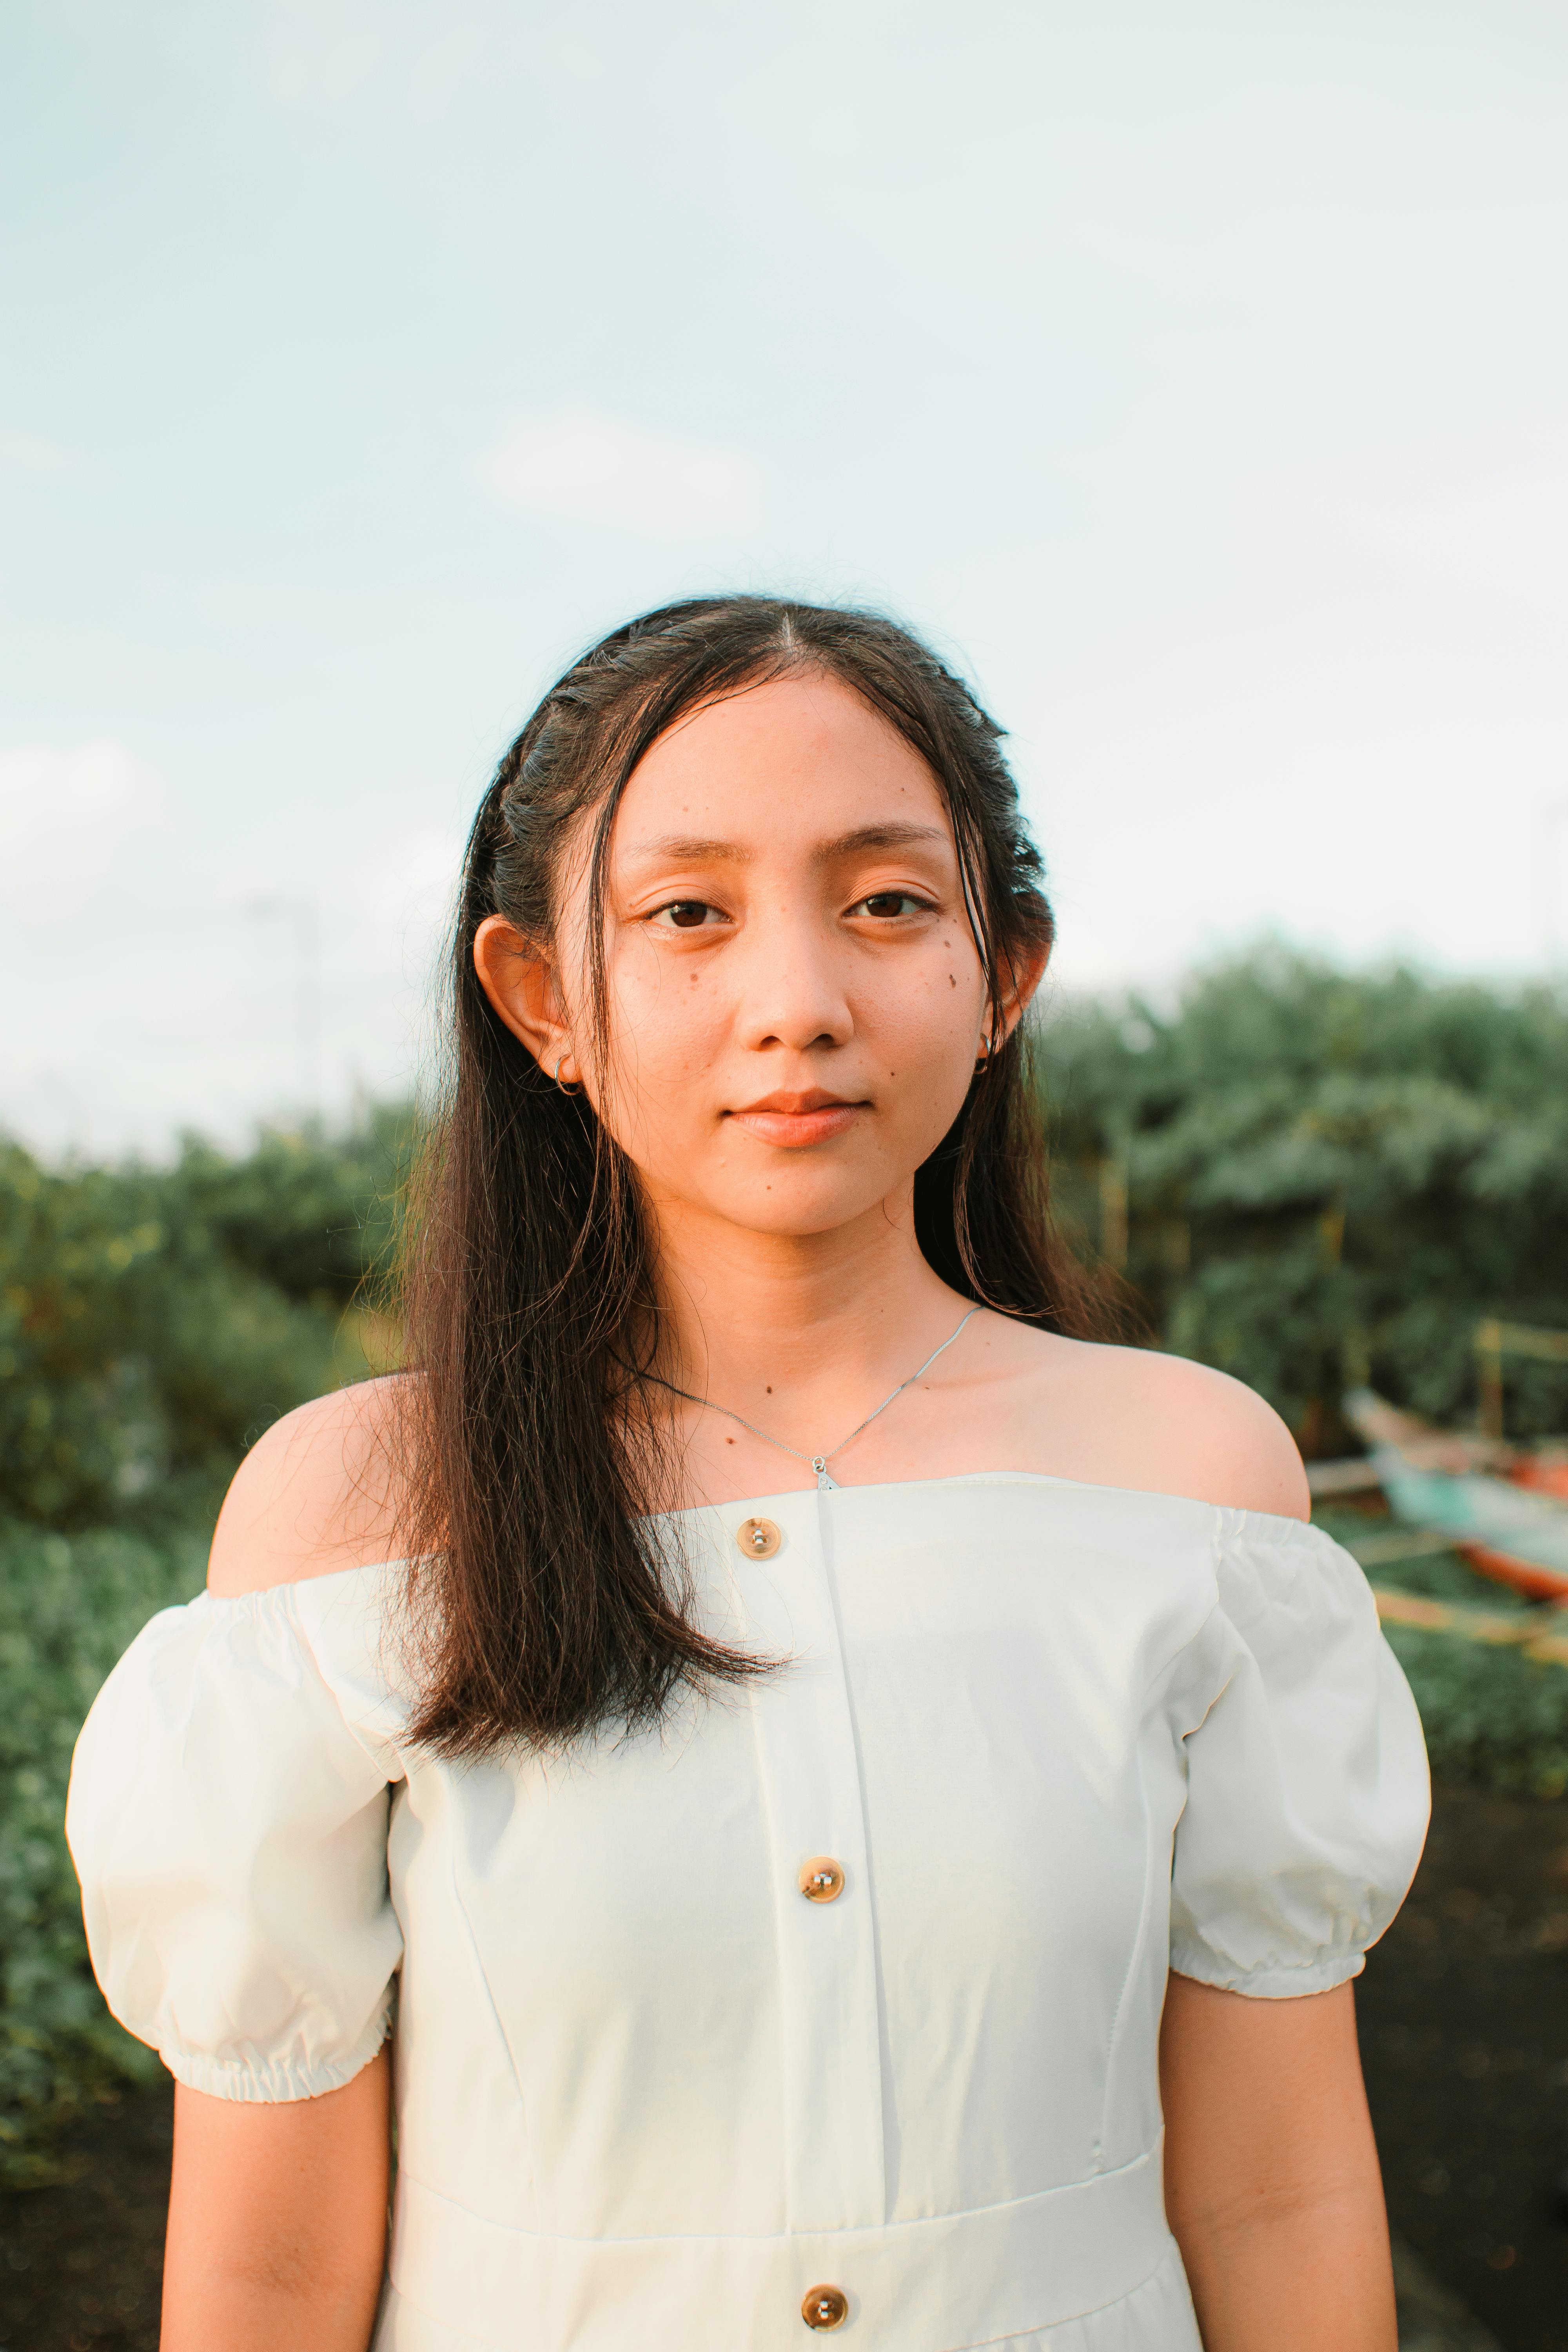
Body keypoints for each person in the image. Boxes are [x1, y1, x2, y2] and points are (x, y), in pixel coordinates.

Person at [67, 595, 1428, 2352]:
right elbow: (266, 2269)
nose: (796, 1002)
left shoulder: (1192, 1486)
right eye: (688, 914)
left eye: (883, 905)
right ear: (544, 997)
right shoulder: (350, 1516)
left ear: (1000, 971)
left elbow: (1276, 2193)